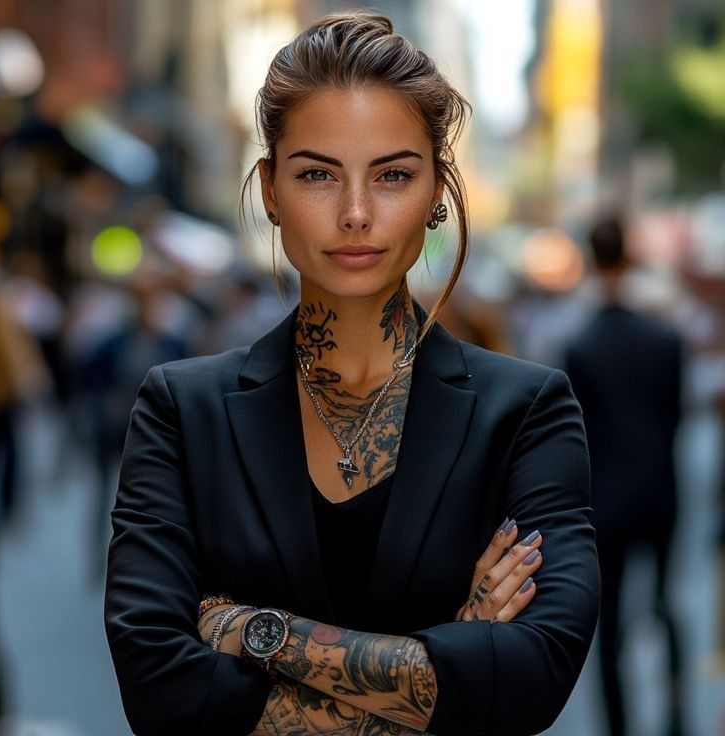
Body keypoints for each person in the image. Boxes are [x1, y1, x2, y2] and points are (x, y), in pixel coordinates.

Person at [105, 12, 599, 736]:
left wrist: (254, 631)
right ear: (271, 189)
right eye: (317, 175)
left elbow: (534, 674)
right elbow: (158, 689)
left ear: (437, 190)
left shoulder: (526, 412)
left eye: (393, 174)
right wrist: (450, 666)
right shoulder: (182, 410)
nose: (357, 213)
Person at [563, 216, 685, 736]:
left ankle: (619, 725)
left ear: (591, 258)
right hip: (660, 495)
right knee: (665, 604)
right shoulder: (666, 340)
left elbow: (579, 439)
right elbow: (674, 419)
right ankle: (676, 713)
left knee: (608, 626)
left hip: (606, 503)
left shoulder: (580, 346)